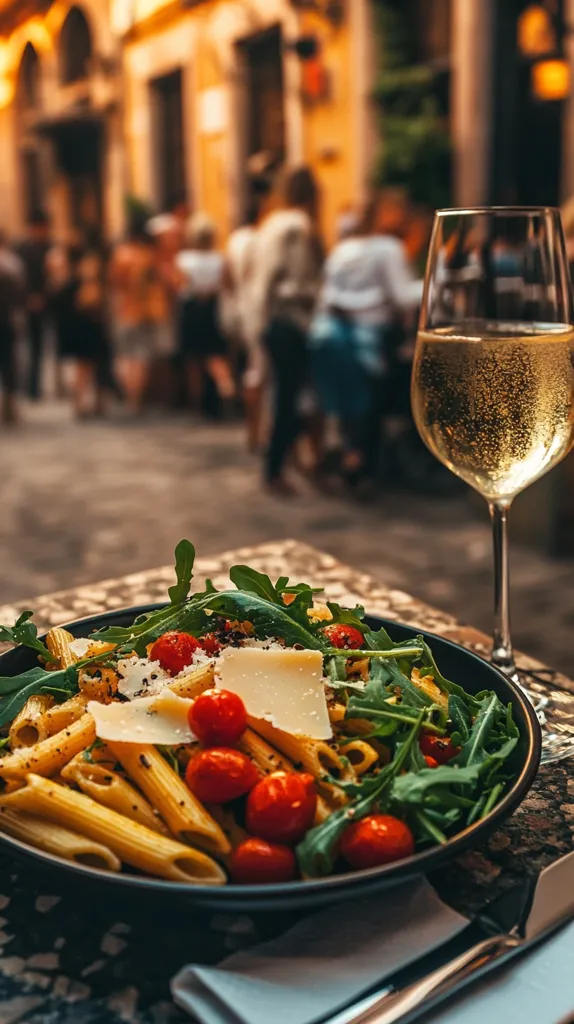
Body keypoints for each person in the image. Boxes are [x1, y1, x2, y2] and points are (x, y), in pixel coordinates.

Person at [310, 198, 422, 495]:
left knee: (348, 409)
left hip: (330, 335)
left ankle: (352, 464)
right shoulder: (388, 248)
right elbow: (402, 297)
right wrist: (438, 281)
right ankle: (364, 470)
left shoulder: (342, 249)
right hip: (368, 339)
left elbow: (326, 295)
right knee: (369, 406)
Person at [246, 167, 323, 495]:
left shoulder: (269, 225)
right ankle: (275, 469)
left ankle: (286, 463)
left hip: (271, 322)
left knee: (286, 397)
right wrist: (314, 293)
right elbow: (289, 283)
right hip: (288, 323)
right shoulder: (296, 227)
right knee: (290, 399)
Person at [108, 211, 173, 413]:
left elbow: (115, 283)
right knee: (141, 358)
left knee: (125, 356)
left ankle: (130, 394)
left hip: (126, 310)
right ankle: (136, 398)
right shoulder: (149, 255)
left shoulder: (121, 255)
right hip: (147, 311)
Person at [176, 212, 235, 414]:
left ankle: (198, 399)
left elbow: (180, 284)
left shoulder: (184, 259)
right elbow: (228, 284)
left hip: (192, 307)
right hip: (212, 306)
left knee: (193, 357)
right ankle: (225, 386)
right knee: (215, 353)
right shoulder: (220, 259)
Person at [17, 211, 50, 400]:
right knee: (32, 346)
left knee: (44, 347)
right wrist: (29, 298)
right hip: (28, 303)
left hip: (47, 302)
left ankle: (40, 387)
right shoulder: (23, 249)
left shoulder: (49, 247)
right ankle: (31, 387)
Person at [0, 232, 25, 424]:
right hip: (7, 319)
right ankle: (9, 404)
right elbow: (20, 292)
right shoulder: (12, 263)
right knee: (9, 362)